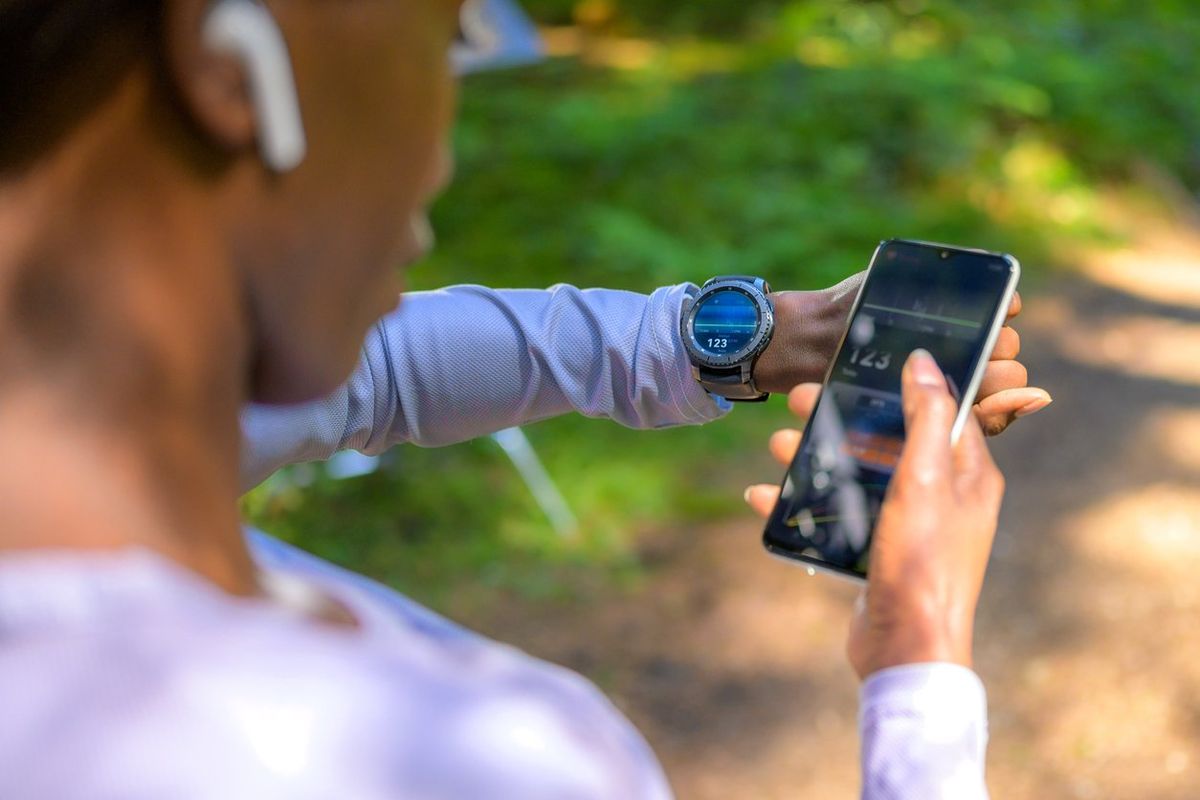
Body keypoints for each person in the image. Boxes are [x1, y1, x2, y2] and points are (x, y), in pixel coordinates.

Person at [0, 0, 1047, 797]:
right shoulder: (481, 757)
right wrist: (920, 662)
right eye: (448, 33)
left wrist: (765, 336)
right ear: (229, 60)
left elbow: (377, 372)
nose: (445, 144)